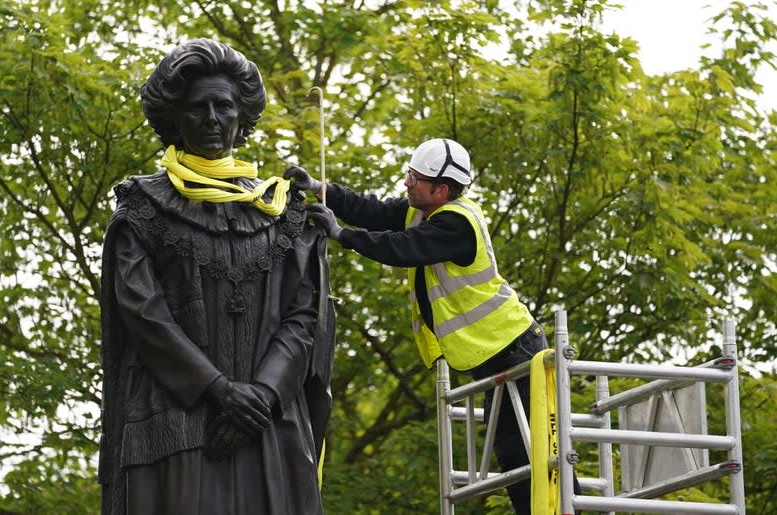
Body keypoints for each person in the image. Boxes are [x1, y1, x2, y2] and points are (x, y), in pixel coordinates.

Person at [99, 39, 334, 514]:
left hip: (270, 425)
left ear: (241, 115)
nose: (211, 119)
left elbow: (304, 313)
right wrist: (218, 391)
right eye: (196, 107)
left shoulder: (280, 211)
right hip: (176, 424)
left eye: (223, 106)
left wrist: (263, 395)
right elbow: (145, 316)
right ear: (174, 118)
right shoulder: (142, 211)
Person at [286, 139, 546, 515]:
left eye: (415, 178)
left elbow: (402, 249)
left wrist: (340, 234)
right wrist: (318, 188)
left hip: (516, 347)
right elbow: (371, 211)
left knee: (530, 456)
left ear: (441, 189)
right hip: (499, 355)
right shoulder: (421, 212)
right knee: (513, 455)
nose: (407, 183)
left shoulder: (458, 222)